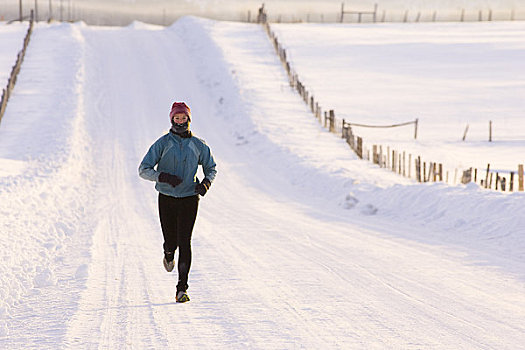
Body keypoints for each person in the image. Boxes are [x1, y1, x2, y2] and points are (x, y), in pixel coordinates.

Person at [138, 101, 217, 303]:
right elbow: (143, 169)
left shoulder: (198, 145)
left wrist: (206, 183)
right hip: (166, 198)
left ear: (189, 120)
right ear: (172, 119)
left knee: (185, 241)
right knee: (171, 241)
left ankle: (182, 288)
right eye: (177, 118)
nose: (180, 121)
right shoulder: (163, 143)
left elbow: (211, 168)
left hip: (190, 198)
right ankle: (168, 252)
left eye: (183, 118)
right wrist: (162, 177)